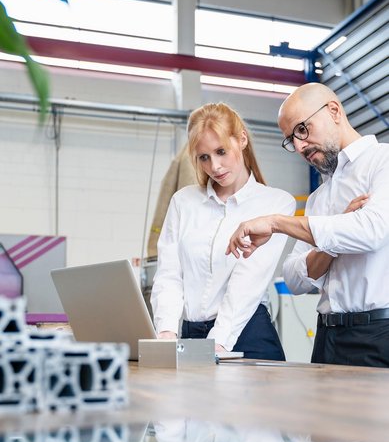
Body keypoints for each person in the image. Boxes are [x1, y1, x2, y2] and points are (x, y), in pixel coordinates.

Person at [227, 82, 389, 367]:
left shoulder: (382, 162)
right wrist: (334, 240)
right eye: (291, 139)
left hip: (377, 334)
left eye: (302, 129)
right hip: (328, 337)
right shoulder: (318, 198)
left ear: (334, 111)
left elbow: (371, 231)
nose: (299, 146)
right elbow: (294, 279)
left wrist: (277, 223)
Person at [151, 102, 296, 359]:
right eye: (204, 157)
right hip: (191, 335)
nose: (215, 166)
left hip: (246, 334)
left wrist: (217, 343)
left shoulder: (276, 203)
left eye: (221, 152)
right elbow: (169, 275)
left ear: (241, 140)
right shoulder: (183, 202)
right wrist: (166, 332)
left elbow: (248, 282)